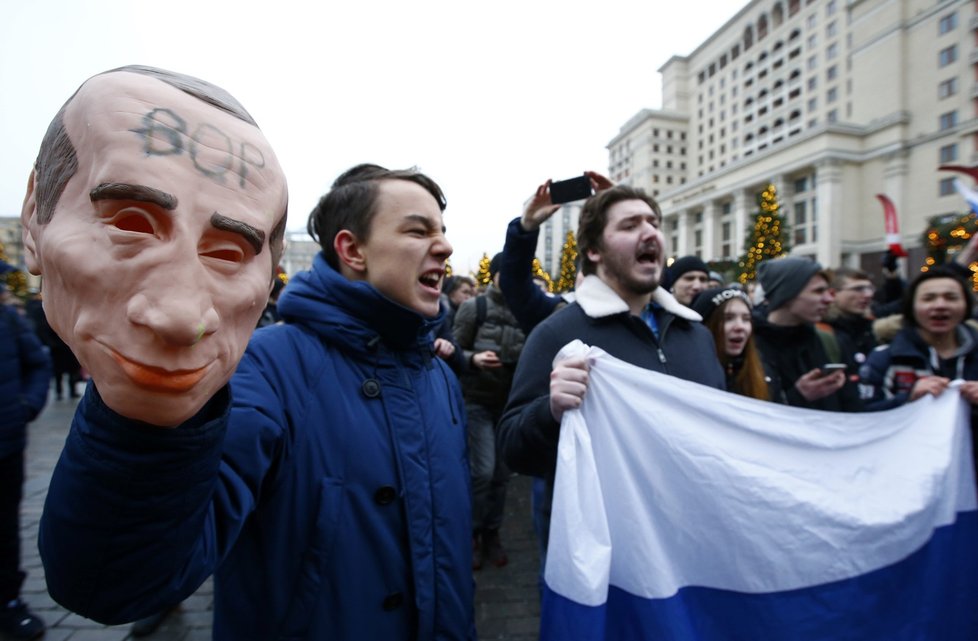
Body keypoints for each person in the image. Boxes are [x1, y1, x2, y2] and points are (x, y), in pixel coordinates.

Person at [29, 67, 473, 641]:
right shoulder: (268, 367)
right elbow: (118, 581)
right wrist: (149, 409)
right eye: (417, 230)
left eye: (442, 229)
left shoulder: (436, 374)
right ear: (352, 249)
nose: (444, 245)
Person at [496, 184, 725, 567]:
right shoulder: (557, 333)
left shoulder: (697, 336)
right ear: (594, 251)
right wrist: (548, 411)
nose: (649, 232)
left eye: (653, 222)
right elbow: (514, 448)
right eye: (630, 225)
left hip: (693, 540)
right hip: (611, 557)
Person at [860, 266, 978, 474]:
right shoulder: (884, 358)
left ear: (966, 306)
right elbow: (860, 419)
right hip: (906, 473)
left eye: (951, 298)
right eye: (929, 298)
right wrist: (908, 399)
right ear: (912, 307)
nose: (940, 305)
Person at [453, 253, 525, 569]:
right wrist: (472, 359)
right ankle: (471, 533)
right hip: (478, 400)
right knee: (482, 471)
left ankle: (492, 533)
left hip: (510, 405)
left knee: (501, 475)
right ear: (495, 275)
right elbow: (452, 350)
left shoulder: (528, 310)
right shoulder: (475, 308)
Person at [0, 275, 51, 640]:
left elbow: (37, 362)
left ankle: (8, 601)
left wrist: (26, 407)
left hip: (5, 442)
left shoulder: (7, 319)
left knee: (3, 526)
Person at [752, 257, 862, 411]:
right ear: (786, 295)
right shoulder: (747, 345)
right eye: (818, 291)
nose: (829, 299)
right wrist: (797, 396)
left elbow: (853, 408)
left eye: (828, 290)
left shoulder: (830, 340)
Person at [691, 286, 769, 400]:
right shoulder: (690, 376)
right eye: (728, 318)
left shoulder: (762, 371)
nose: (740, 327)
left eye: (746, 319)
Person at [819, 267, 878, 374]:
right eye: (858, 289)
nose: (868, 295)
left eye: (870, 288)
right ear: (833, 293)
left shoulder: (873, 328)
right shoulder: (822, 331)